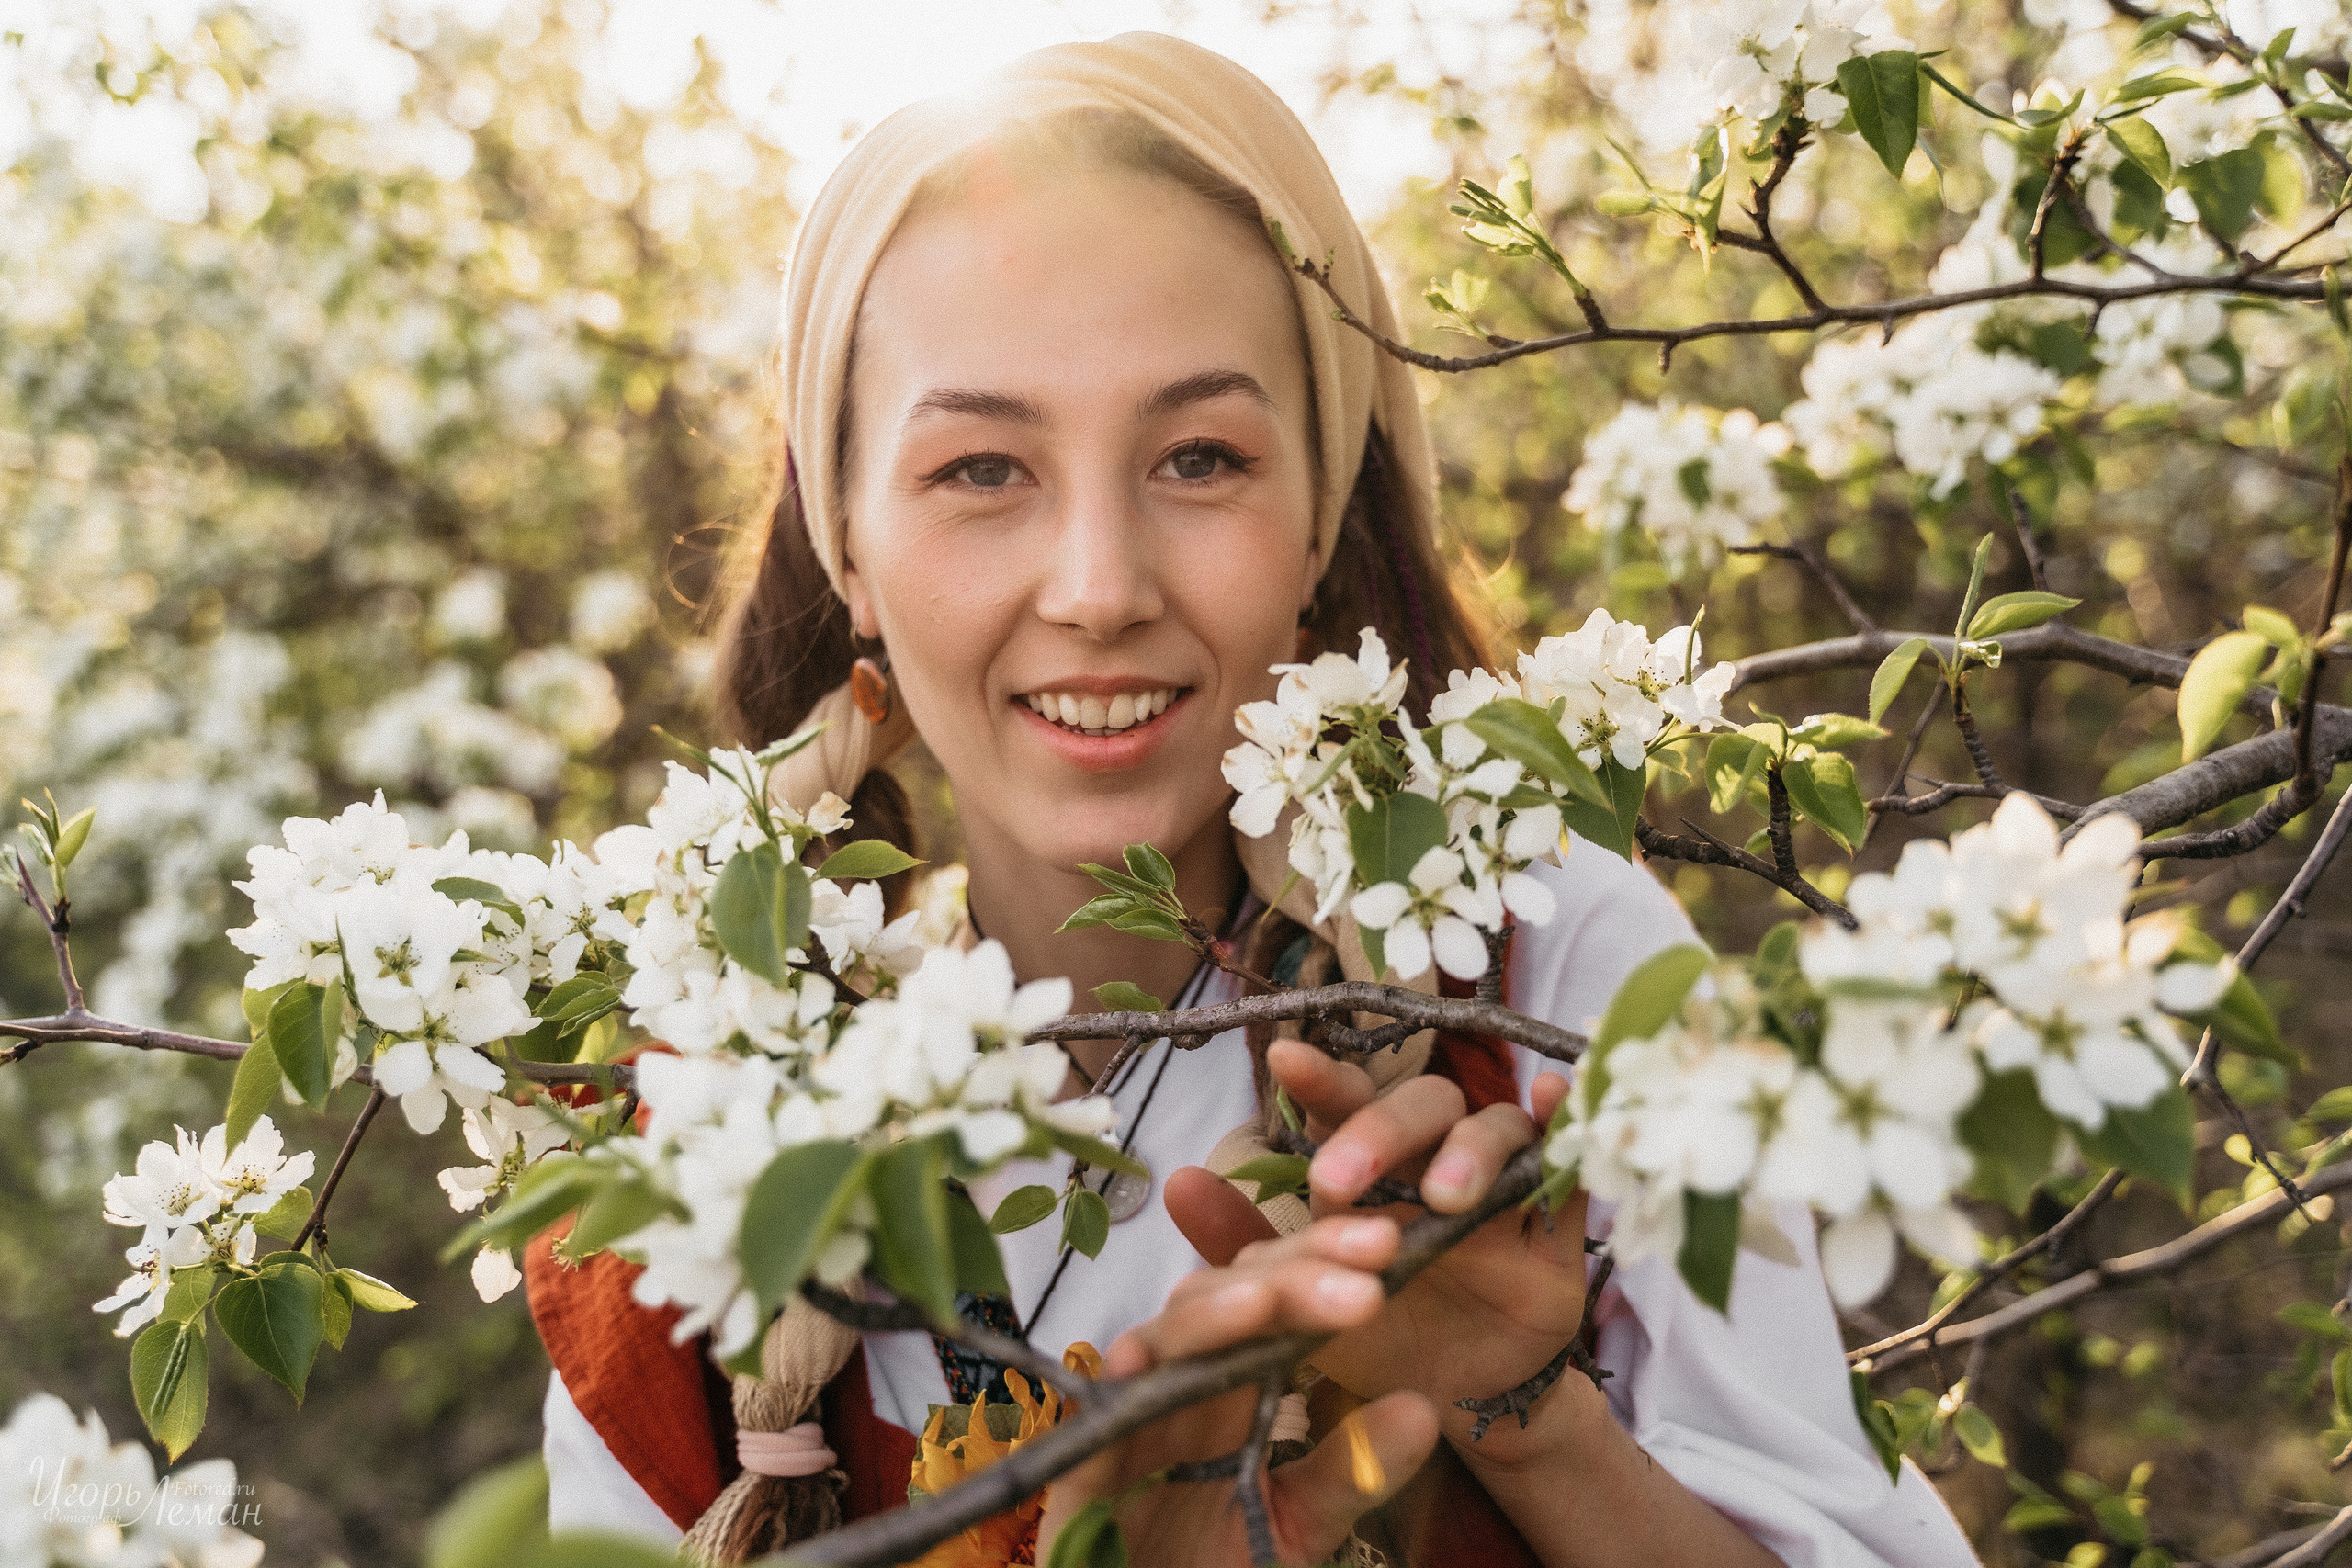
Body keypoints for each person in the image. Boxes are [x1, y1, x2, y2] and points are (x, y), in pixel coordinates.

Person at [529, 32, 1980, 1568]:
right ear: (849, 549)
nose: (1099, 588)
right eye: (981, 470)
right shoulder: (704, 1132)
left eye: (1201, 457)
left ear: (1318, 521)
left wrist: (1521, 1418)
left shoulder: (1539, 974)